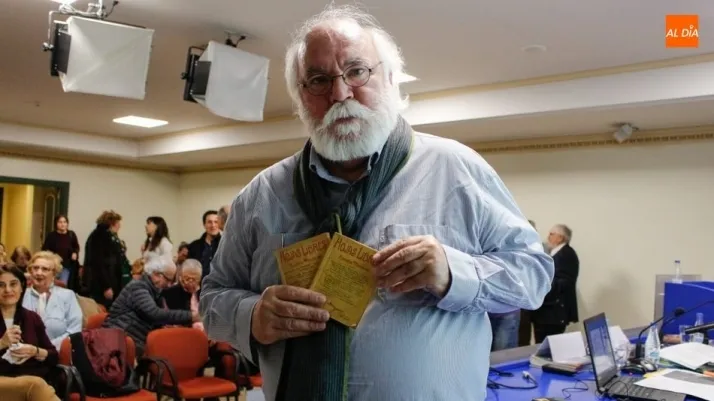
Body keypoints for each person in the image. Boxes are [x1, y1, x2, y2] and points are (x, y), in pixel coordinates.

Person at [199, 5, 553, 401]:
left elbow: (534, 276)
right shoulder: (261, 195)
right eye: (318, 80)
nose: (340, 94)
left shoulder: (456, 170)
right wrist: (252, 316)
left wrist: (454, 272)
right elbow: (212, 297)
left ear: (390, 78)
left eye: (356, 71)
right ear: (300, 97)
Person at [103, 258, 196, 356]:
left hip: (131, 341)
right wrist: (192, 316)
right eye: (168, 279)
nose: (169, 285)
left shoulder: (154, 291)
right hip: (117, 343)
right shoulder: (138, 287)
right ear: (156, 274)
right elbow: (155, 314)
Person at [0, 262, 61, 401]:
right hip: (5, 382)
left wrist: (35, 351)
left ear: (22, 287)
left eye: (13, 284)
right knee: (35, 385)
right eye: (1, 285)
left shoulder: (31, 317)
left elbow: (53, 355)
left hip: (32, 380)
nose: (8, 290)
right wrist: (2, 343)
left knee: (37, 385)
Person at [22, 251, 82, 350]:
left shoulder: (67, 296)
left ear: (54, 273)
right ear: (30, 271)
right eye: (35, 268)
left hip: (58, 353)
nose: (39, 273)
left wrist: (47, 349)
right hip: (24, 353)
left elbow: (74, 330)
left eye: (45, 269)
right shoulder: (21, 295)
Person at [532, 224, 579, 343]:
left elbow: (564, 283)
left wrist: (540, 285)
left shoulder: (566, 255)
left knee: (548, 346)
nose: (548, 237)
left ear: (561, 238)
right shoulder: (556, 253)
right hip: (547, 312)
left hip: (553, 313)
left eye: (552, 234)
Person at [82, 210, 130, 308]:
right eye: (118, 223)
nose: (119, 226)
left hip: (109, 281)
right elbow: (98, 263)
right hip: (102, 284)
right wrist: (106, 286)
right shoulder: (99, 237)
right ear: (112, 224)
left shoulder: (107, 236)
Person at [41, 215, 81, 289]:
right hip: (53, 266)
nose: (63, 224)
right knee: (51, 286)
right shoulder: (51, 236)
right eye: (60, 222)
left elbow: (76, 247)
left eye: (64, 222)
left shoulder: (71, 235)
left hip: (66, 266)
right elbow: (45, 250)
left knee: (62, 286)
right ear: (56, 223)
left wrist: (75, 253)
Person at [187, 210, 221, 279]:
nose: (213, 225)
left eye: (216, 222)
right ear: (204, 225)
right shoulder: (193, 246)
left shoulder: (226, 245)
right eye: (209, 222)